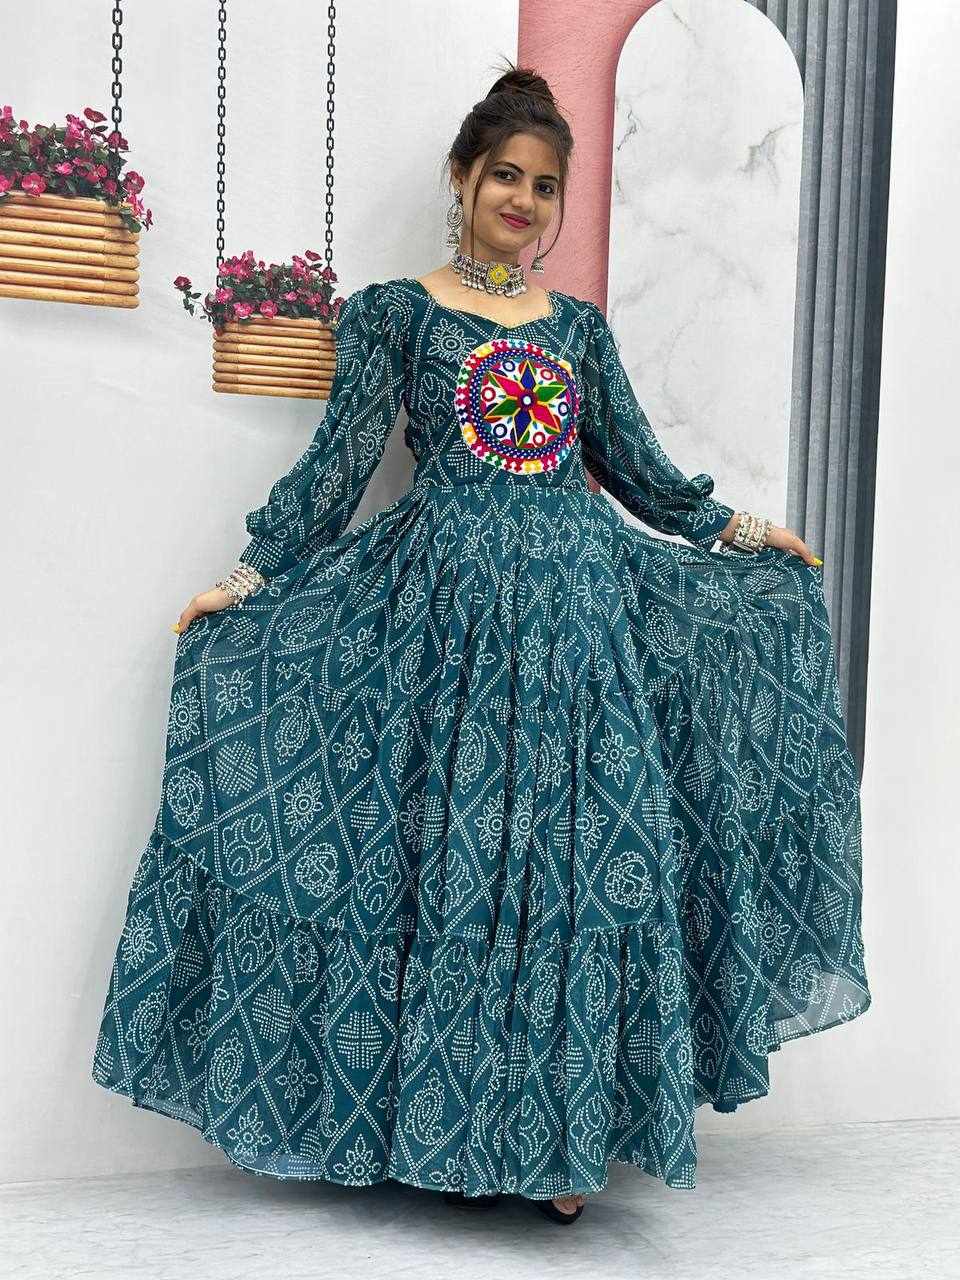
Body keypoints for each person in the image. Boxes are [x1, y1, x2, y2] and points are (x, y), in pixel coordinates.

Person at [90, 62, 871, 1227]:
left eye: (545, 185)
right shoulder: (395, 316)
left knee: (583, 872)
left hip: (583, 639)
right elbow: (338, 471)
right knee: (444, 875)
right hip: (443, 639)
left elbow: (646, 477)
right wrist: (250, 575)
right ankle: (443, 1130)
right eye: (506, 174)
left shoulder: (579, 333)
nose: (524, 199)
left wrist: (746, 533)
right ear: (462, 178)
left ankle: (568, 1140)